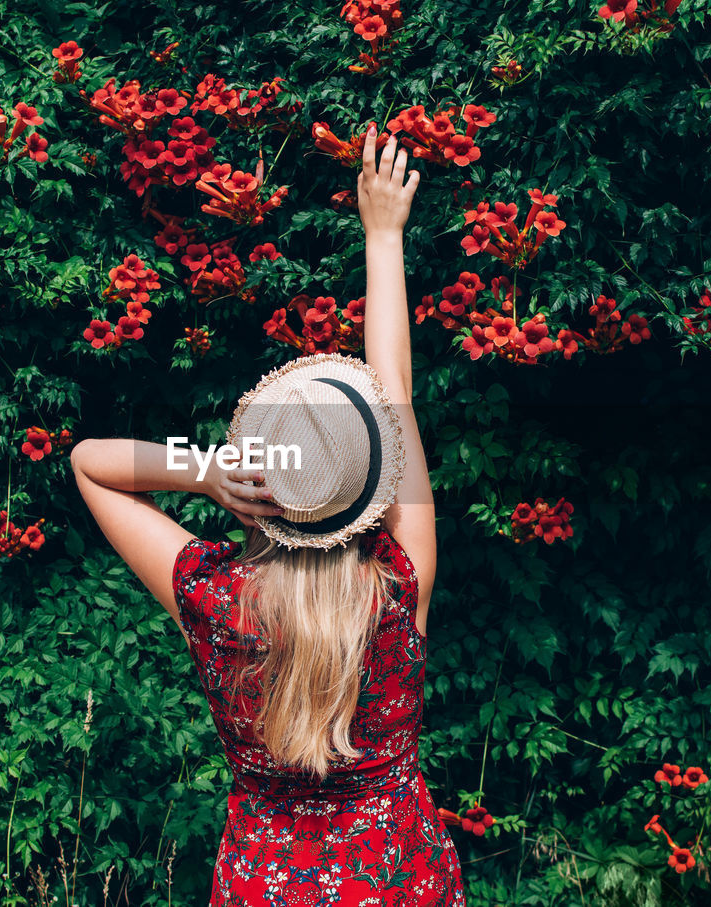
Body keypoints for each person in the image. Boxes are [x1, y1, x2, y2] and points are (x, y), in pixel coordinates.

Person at [71, 122, 465, 905]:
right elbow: (394, 392)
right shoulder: (399, 589)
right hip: (400, 881)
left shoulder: (213, 599)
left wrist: (206, 474)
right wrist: (381, 233)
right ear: (369, 495)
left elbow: (91, 462)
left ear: (261, 486)